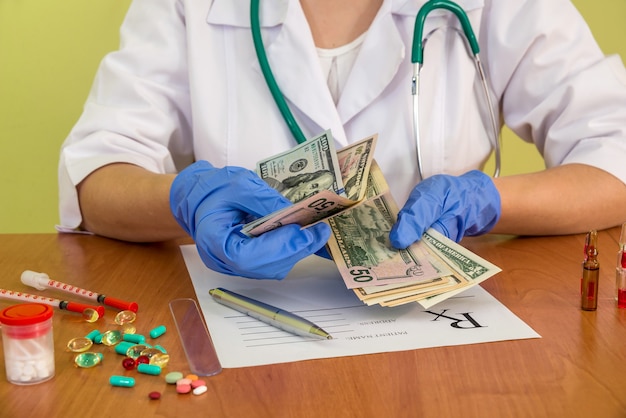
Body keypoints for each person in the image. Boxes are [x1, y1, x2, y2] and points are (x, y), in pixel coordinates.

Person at [58, 0, 626, 280]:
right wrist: (188, 200)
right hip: (247, 321)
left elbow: (614, 153)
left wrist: (489, 203)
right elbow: (98, 176)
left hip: (436, 328)